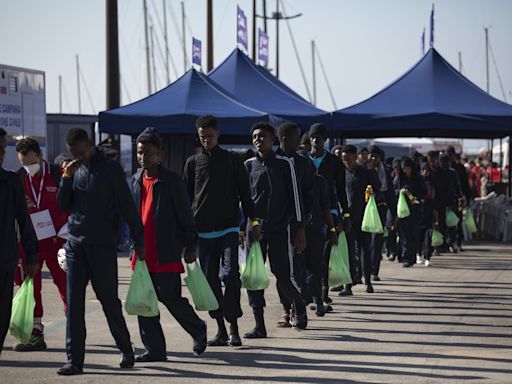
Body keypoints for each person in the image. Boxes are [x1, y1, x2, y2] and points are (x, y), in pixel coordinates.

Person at [56, 128, 145, 375]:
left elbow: (127, 205)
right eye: (73, 153)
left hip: (102, 247)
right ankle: (75, 360)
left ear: (88, 144)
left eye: (79, 151)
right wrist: (65, 178)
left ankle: (126, 349)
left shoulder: (110, 169)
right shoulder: (73, 170)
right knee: (74, 304)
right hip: (75, 245)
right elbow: (63, 205)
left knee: (109, 301)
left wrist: (139, 239)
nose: (77, 156)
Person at [132, 127, 207, 361]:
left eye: (148, 153)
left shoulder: (171, 181)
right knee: (144, 302)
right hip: (142, 253)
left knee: (170, 298)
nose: (143, 157)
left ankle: (197, 328)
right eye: (140, 153)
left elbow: (186, 215)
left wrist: (190, 245)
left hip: (165, 251)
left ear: (159, 155)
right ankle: (155, 350)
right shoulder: (135, 180)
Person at [183, 115, 254, 347]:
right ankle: (221, 330)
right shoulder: (192, 163)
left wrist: (253, 223)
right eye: (202, 137)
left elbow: (246, 194)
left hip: (229, 229)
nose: (206, 140)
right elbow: (186, 200)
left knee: (230, 275)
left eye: (210, 136)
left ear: (218, 134)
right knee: (210, 282)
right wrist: (187, 236)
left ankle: (234, 327)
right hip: (202, 233)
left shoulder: (233, 161)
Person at [244, 122, 307, 338]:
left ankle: (298, 303)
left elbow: (296, 199)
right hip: (254, 230)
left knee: (281, 273)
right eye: (254, 136)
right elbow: (244, 200)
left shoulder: (284, 164)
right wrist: (245, 227)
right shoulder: (248, 165)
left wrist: (299, 229)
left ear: (273, 140)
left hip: (279, 229)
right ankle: (259, 325)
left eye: (262, 136)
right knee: (254, 277)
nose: (258, 140)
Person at [12, 138, 68, 351]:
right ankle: (36, 333)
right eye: (23, 164)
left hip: (57, 242)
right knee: (30, 287)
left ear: (40, 156)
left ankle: (74, 327)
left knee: (66, 285)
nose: (27, 168)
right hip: (31, 244)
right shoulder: (18, 179)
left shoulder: (57, 174)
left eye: (30, 163)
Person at [0, 128, 39, 356]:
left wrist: (31, 256)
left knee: (3, 316)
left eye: (2, 149)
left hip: (5, 260)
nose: (1, 154)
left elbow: (24, 221)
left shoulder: (11, 181)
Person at [275, 122, 316, 323]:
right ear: (284, 139)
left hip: (297, 224)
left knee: (295, 267)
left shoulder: (303, 163)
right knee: (280, 270)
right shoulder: (272, 160)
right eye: (296, 137)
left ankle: (296, 306)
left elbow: (309, 192)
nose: (300, 142)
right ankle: (286, 308)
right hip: (276, 225)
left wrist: (305, 222)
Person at [306, 123, 348, 303]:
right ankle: (311, 291)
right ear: (309, 139)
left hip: (329, 213)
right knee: (307, 255)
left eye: (320, 137)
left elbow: (341, 190)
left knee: (324, 255)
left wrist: (345, 214)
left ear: (325, 140)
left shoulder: (334, 162)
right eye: (313, 137)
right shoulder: (302, 159)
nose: (316, 140)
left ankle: (323, 294)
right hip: (307, 213)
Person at [340, 145, 380, 294]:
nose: (347, 162)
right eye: (344, 159)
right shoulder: (341, 174)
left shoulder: (366, 173)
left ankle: (367, 281)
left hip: (364, 218)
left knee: (365, 251)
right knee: (349, 252)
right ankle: (348, 285)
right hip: (347, 218)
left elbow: (379, 189)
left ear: (355, 157)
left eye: (349, 159)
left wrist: (372, 192)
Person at [367, 145, 396, 281]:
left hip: (381, 208)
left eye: (376, 156)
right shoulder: (364, 171)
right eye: (371, 155)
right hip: (365, 210)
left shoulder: (387, 170)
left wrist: (393, 213)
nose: (373, 158)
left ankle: (374, 271)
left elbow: (390, 193)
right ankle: (364, 270)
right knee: (366, 242)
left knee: (377, 240)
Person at [394, 157, 427, 267]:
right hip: (403, 211)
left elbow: (424, 192)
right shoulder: (398, 180)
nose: (406, 171)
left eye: (408, 168)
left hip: (415, 211)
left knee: (414, 234)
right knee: (404, 235)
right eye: (404, 168)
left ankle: (412, 257)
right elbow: (392, 192)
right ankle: (405, 258)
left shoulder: (418, 179)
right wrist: (401, 192)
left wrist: (416, 198)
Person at [426, 151, 455, 254]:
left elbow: (448, 188)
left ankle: (439, 246)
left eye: (434, 161)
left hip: (441, 203)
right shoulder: (425, 172)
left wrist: (450, 202)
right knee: (429, 225)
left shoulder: (442, 173)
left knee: (441, 225)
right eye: (430, 161)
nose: (432, 163)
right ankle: (429, 247)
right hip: (428, 204)